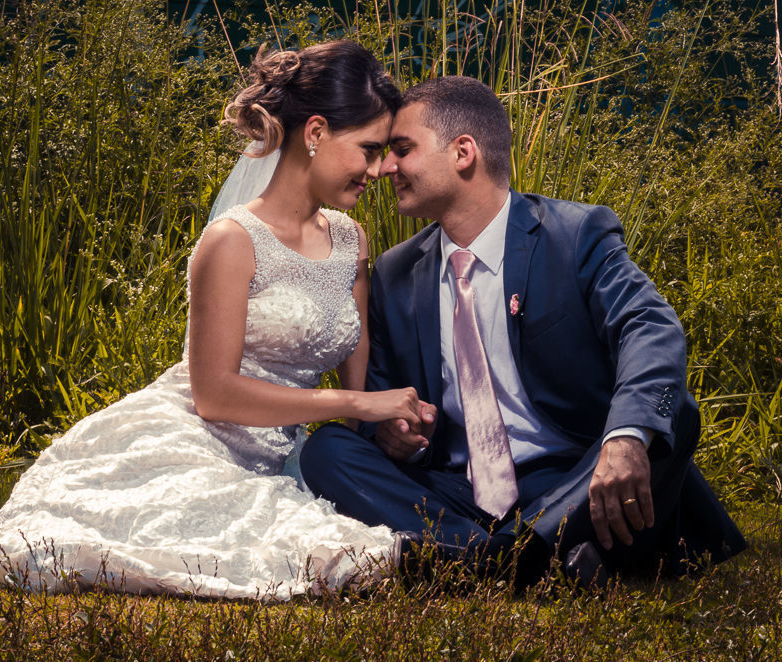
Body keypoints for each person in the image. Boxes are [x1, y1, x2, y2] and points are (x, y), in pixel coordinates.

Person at [0, 41, 416, 600]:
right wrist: (357, 405)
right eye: (368, 150)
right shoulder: (232, 241)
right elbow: (216, 395)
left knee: (337, 553)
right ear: (316, 132)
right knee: (167, 541)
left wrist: (384, 428)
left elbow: (358, 388)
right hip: (201, 435)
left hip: (288, 452)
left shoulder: (350, 243)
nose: (379, 169)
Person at [301, 76, 746, 586]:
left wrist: (623, 442)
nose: (386, 168)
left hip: (574, 478)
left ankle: (475, 563)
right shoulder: (396, 272)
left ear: (463, 152)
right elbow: (379, 398)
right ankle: (521, 563)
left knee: (670, 417)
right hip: (456, 488)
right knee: (328, 451)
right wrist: (397, 436)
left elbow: (649, 327)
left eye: (403, 150)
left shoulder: (575, 235)